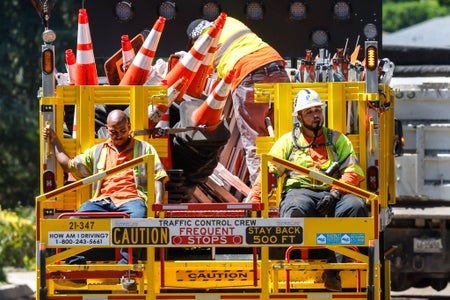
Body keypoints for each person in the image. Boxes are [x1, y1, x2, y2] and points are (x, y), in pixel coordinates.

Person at [248, 88, 368, 292]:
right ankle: (296, 265)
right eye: (309, 112)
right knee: (296, 210)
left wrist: (335, 193)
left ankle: (333, 271)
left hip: (333, 192)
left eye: (317, 110)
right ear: (300, 117)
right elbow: (269, 172)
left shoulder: (337, 140)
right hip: (300, 192)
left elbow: (353, 170)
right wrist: (254, 200)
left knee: (356, 206)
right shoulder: (288, 142)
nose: (315, 116)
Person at [43, 109, 168, 265]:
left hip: (132, 200)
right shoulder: (98, 151)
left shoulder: (144, 148)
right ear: (107, 130)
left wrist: (157, 203)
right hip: (102, 201)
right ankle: (75, 265)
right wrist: (55, 141)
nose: (119, 135)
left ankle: (126, 268)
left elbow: (159, 176)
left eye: (123, 130)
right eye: (113, 132)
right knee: (74, 221)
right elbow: (69, 166)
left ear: (129, 127)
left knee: (138, 221)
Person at [186, 16, 291, 185]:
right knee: (286, 135)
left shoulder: (203, 43)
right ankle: (292, 184)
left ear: (194, 39)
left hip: (248, 73)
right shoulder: (230, 21)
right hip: (276, 67)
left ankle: (262, 192)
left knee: (254, 140)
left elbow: (201, 76)